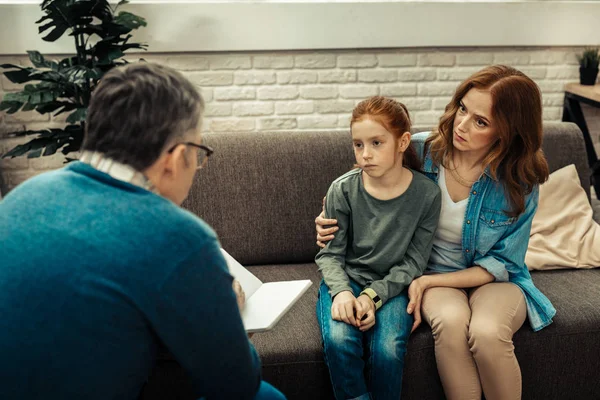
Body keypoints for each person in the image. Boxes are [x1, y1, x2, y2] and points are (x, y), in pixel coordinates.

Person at [0, 63, 285, 400]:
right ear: (177, 157)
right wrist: (228, 309)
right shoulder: (179, 236)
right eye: (198, 153)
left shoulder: (23, 195)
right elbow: (235, 382)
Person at [316, 65, 556, 400]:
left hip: (492, 279)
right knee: (452, 324)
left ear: (509, 132)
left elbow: (503, 261)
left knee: (487, 333)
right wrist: (330, 213)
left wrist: (428, 282)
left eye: (481, 122)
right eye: (463, 109)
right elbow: (367, 174)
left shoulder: (520, 181)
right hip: (430, 271)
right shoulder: (421, 150)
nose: (461, 125)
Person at [316, 96, 441, 400]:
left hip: (393, 286)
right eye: (358, 145)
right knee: (339, 340)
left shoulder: (427, 194)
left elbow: (413, 263)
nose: (365, 154)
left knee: (387, 349)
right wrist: (344, 293)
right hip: (346, 280)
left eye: (376, 143)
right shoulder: (342, 189)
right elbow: (330, 254)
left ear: (402, 142)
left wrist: (373, 297)